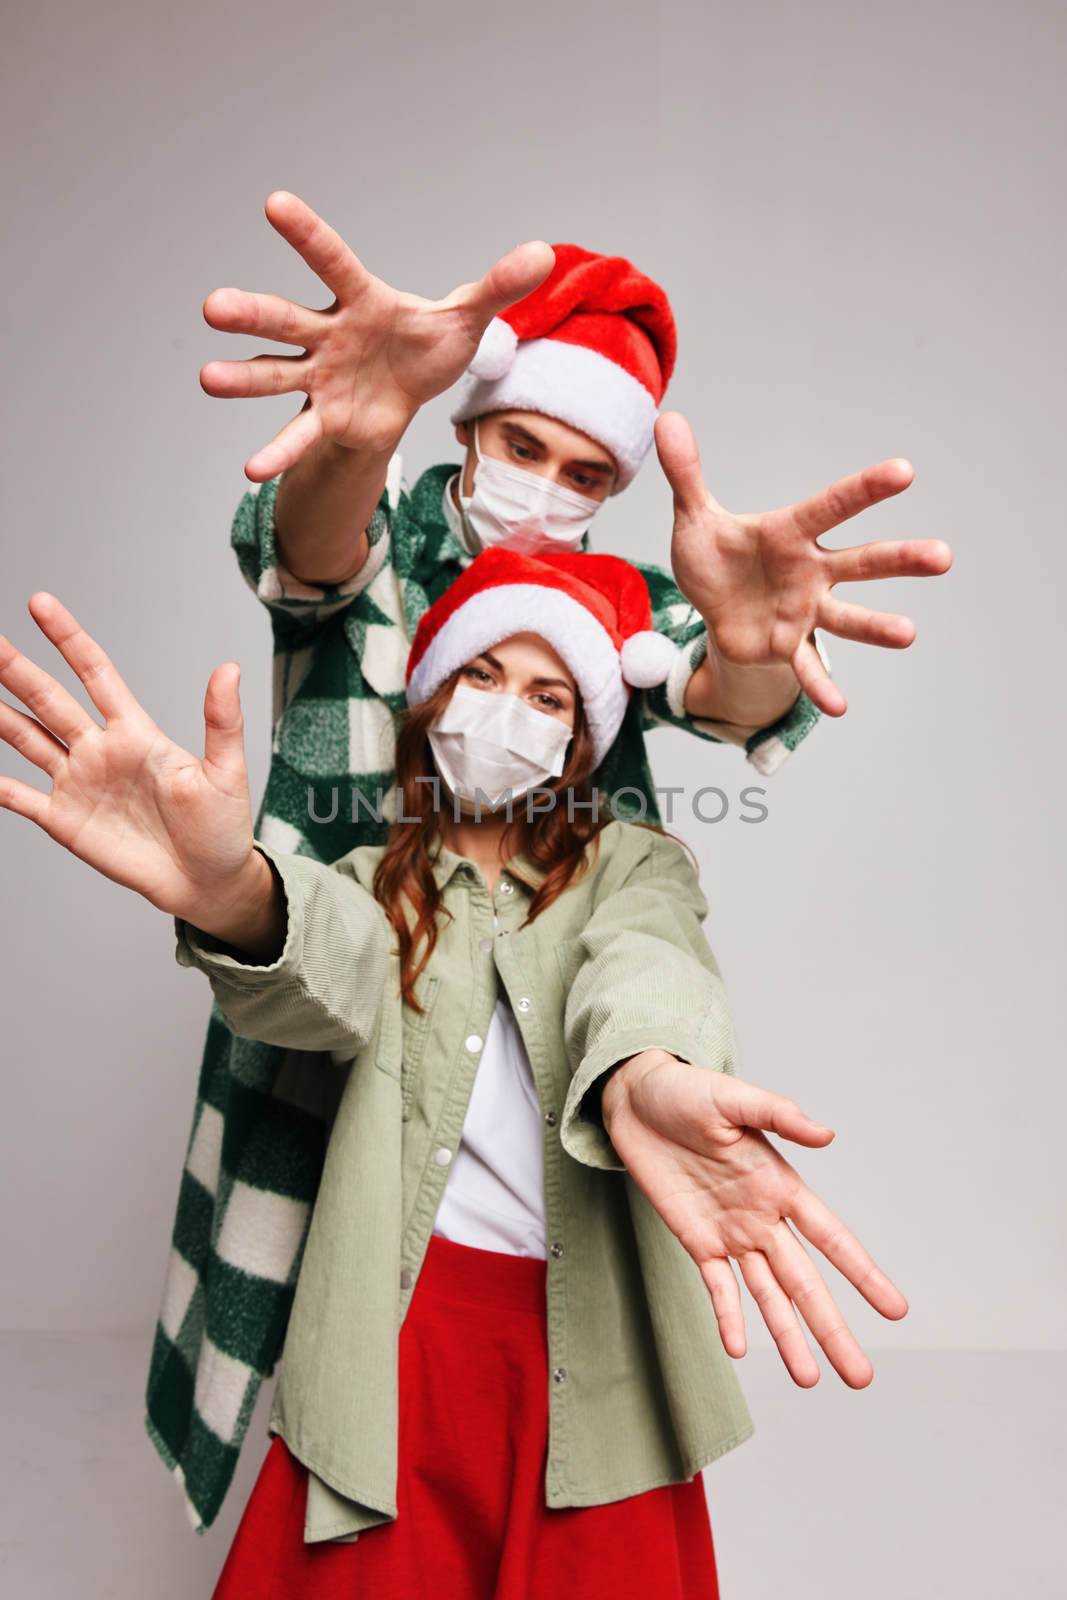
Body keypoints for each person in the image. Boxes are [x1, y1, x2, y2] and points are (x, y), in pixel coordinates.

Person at [146, 190, 950, 1535]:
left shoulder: (615, 608)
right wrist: (358, 432)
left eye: (590, 475)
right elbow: (310, 552)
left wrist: (749, 648)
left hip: (533, 1018)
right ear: (465, 421)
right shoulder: (385, 540)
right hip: (327, 982)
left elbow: (712, 683)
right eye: (523, 446)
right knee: (326, 1347)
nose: (550, 491)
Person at [0, 551, 908, 1599]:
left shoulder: (633, 862)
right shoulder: (364, 886)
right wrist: (229, 891)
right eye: (480, 676)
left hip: (592, 1348)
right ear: (429, 696)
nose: (505, 713)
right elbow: (311, 961)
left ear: (578, 738)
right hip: (394, 1342)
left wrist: (646, 1074)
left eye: (546, 694)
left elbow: (648, 963)